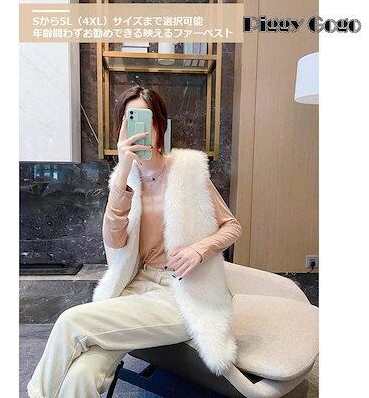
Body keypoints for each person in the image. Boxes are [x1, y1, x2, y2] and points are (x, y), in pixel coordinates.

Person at [27, 86, 242, 398]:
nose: (140, 129)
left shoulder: (188, 171)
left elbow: (231, 226)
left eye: (147, 119)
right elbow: (114, 240)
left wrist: (199, 250)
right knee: (82, 374)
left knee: (71, 321)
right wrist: (123, 170)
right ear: (121, 128)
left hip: (183, 292)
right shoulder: (126, 180)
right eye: (131, 120)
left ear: (159, 125)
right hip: (137, 285)